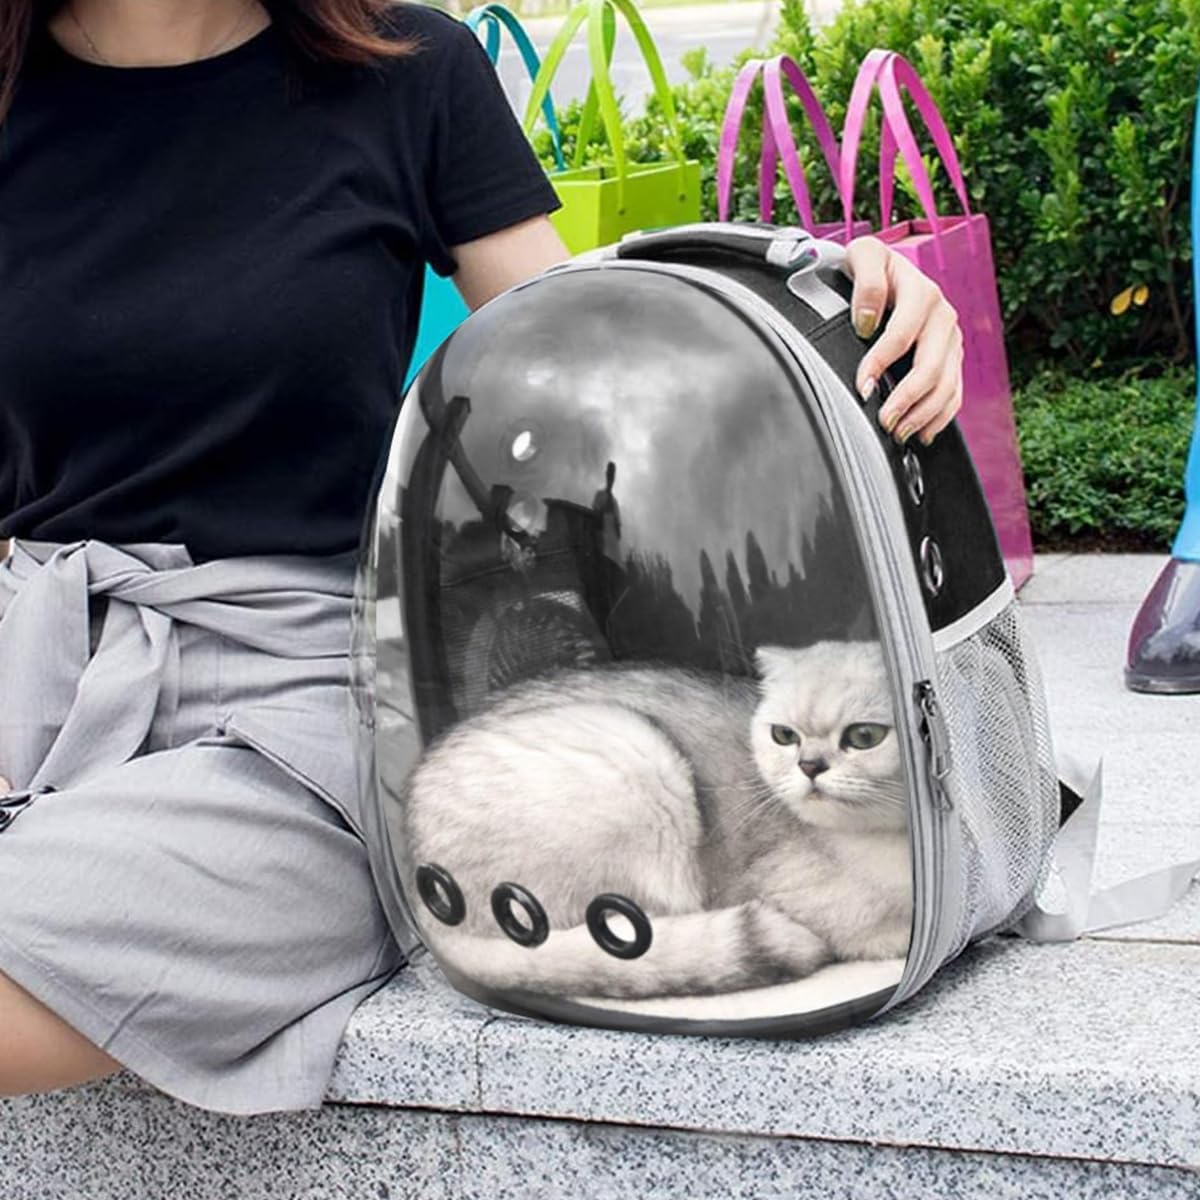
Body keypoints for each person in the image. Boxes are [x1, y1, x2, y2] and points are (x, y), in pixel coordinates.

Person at [0, 0, 965, 1115]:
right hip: (36, 668)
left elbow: (605, 360)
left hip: (302, 699)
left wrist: (838, 306)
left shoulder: (402, 70)